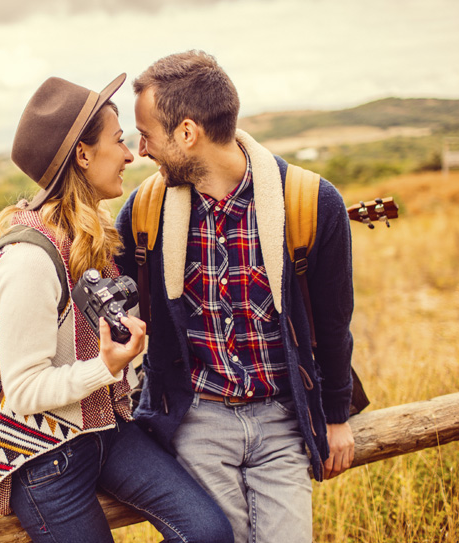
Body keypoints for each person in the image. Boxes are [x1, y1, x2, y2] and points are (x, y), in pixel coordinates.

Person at [0, 73, 233, 543]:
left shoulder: (92, 233)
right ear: (83, 155)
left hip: (108, 431)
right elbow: (25, 391)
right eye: (118, 141)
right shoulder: (30, 260)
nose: (131, 154)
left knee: (209, 533)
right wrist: (107, 366)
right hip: (45, 456)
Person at [111, 50, 356, 543]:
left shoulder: (310, 202)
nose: (140, 152)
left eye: (147, 134)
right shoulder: (143, 213)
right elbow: (109, 316)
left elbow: (333, 324)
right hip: (196, 420)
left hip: (283, 419)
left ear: (186, 133)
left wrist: (336, 417)